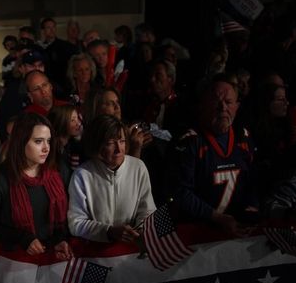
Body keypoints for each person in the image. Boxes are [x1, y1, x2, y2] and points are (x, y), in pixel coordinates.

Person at [170, 73, 259, 236]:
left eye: (228, 102)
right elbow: (180, 192)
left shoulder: (244, 138)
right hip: (197, 233)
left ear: (237, 106)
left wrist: (251, 211)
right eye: (216, 102)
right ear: (203, 105)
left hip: (237, 229)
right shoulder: (190, 142)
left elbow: (253, 181)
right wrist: (217, 218)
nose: (223, 108)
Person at [0, 112, 72, 259]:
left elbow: (68, 216)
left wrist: (60, 240)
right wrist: (22, 238)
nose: (46, 148)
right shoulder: (0, 178)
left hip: (52, 255)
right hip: (15, 260)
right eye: (38, 141)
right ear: (21, 142)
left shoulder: (59, 170)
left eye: (48, 141)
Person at [68, 114, 155, 243]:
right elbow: (76, 223)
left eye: (122, 141)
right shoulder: (82, 175)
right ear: (97, 145)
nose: (119, 149)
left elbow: (147, 209)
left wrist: (141, 230)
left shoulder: (138, 167)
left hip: (129, 247)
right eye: (110, 143)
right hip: (96, 250)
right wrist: (108, 231)